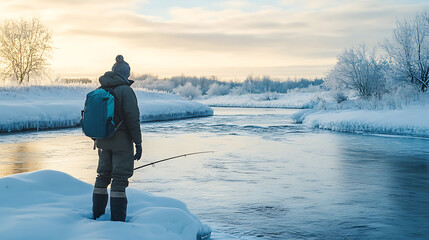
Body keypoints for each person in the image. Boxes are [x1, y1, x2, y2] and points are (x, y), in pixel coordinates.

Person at [92, 55, 143, 222]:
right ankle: (118, 221)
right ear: (126, 74)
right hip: (121, 142)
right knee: (120, 179)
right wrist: (138, 142)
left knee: (103, 175)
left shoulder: (101, 89)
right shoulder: (126, 91)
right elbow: (132, 119)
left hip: (102, 140)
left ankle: (97, 215)